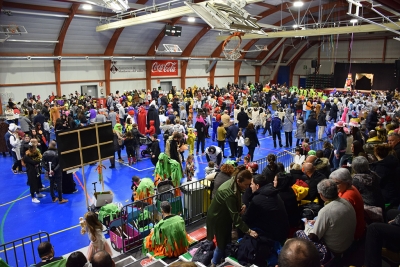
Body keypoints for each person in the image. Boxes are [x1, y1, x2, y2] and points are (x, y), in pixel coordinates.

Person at [206, 168, 257, 266]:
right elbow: (236, 219)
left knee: (227, 240)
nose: (248, 187)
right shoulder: (229, 192)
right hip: (218, 219)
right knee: (221, 244)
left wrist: (242, 204)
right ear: (239, 181)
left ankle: (223, 259)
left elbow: (237, 197)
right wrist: (249, 231)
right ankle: (214, 263)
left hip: (224, 217)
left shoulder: (234, 183)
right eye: (246, 184)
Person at [296, 179, 356, 256]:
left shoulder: (325, 211)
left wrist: (307, 225)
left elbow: (314, 237)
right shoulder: (346, 201)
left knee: (299, 233)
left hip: (335, 249)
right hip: (348, 242)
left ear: (321, 194)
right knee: (315, 219)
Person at [243, 174, 289, 244]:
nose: (250, 186)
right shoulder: (275, 194)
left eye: (252, 184)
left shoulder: (257, 199)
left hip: (271, 235)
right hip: (283, 232)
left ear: (257, 186)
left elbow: (247, 219)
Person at [329, 168, 365, 240]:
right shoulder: (350, 187)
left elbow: (338, 218)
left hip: (352, 232)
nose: (334, 186)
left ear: (347, 182)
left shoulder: (347, 197)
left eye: (336, 183)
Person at [352, 156, 384, 223]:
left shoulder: (356, 180)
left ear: (354, 167)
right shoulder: (373, 174)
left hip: (368, 209)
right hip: (380, 204)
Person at [370, 144, 400, 209]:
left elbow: (376, 183)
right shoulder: (394, 162)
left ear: (376, 153)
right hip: (395, 196)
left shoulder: (380, 168)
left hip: (387, 199)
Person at [24, 138, 45, 203]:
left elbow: (40, 159)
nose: (36, 148)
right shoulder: (26, 156)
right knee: (33, 183)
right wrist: (37, 162)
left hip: (36, 170)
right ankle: (33, 197)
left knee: (38, 181)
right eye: (35, 147)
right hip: (31, 171)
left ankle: (38, 193)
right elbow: (34, 162)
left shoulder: (36, 153)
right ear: (32, 148)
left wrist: (38, 162)